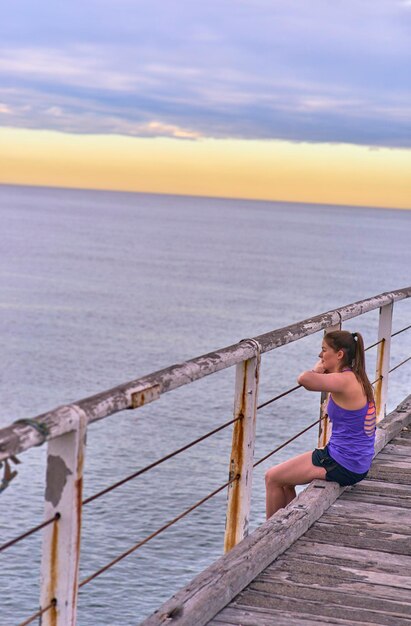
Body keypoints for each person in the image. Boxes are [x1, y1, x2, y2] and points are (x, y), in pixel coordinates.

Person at [265, 330, 376, 519]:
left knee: (272, 478)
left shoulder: (344, 381)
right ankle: (285, 525)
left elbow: (304, 379)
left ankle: (267, 539)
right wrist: (326, 366)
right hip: (355, 460)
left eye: (324, 350)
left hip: (343, 463)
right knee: (286, 481)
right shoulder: (355, 376)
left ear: (339, 354)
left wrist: (317, 369)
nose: (320, 355)